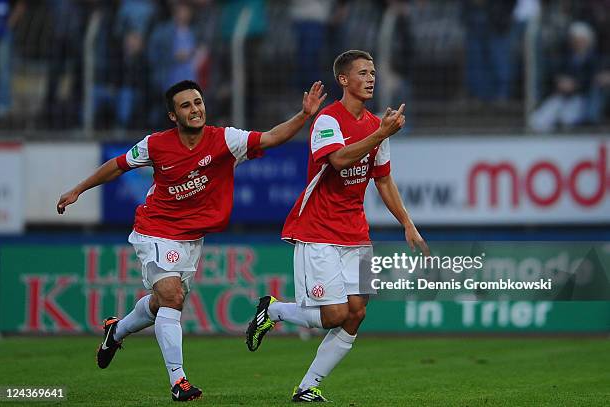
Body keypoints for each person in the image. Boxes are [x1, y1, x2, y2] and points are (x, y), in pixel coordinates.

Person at [56, 79, 326, 402]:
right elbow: (118, 166)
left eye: (198, 102)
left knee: (160, 304)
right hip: (155, 229)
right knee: (172, 296)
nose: (195, 109)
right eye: (186, 105)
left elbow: (270, 138)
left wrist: (304, 116)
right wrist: (77, 190)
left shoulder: (224, 139)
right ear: (173, 115)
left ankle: (116, 331)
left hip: (191, 239)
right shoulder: (155, 145)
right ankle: (178, 381)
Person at [245, 50, 428, 402]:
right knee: (333, 315)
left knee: (357, 313)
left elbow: (384, 180)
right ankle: (275, 310)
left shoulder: (378, 126)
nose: (371, 78)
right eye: (363, 72)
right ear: (344, 80)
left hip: (356, 233)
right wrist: (381, 134)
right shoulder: (328, 120)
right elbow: (340, 159)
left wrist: (407, 223)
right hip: (318, 231)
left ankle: (307, 387)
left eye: (373, 71)